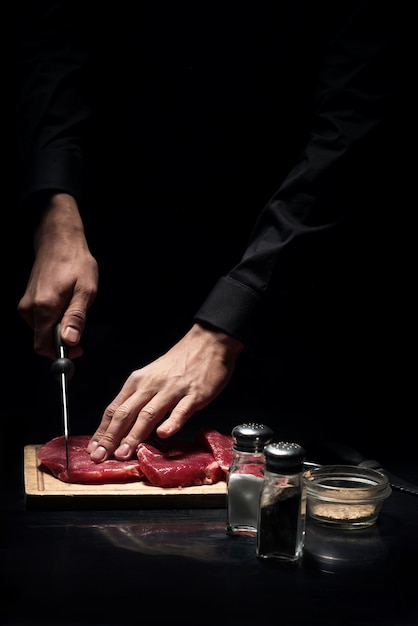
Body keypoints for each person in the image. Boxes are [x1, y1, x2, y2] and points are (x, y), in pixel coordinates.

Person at [15, 1, 408, 463]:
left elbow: (351, 136)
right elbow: (55, 40)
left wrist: (227, 325)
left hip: (287, 270)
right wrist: (55, 211)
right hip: (114, 249)